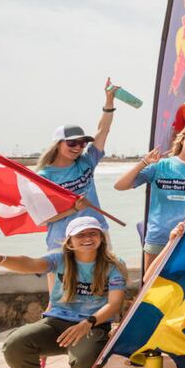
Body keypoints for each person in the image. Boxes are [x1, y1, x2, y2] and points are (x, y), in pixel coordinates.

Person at [0, 217, 127, 368]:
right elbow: (31, 263)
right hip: (56, 322)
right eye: (80, 235)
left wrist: (87, 323)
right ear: (70, 241)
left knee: (84, 360)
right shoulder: (59, 260)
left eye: (93, 233)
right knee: (15, 343)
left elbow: (114, 304)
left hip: (92, 325)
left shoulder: (114, 265)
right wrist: (1, 258)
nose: (88, 238)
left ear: (101, 238)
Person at [115, 125, 185, 268]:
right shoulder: (160, 166)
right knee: (151, 286)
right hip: (158, 237)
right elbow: (120, 185)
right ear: (182, 141)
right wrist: (144, 162)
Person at [36, 79, 119, 253]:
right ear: (58, 144)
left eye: (82, 143)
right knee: (63, 281)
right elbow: (43, 218)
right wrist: (73, 209)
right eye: (72, 143)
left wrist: (109, 101)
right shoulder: (44, 176)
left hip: (97, 234)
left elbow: (103, 130)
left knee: (102, 280)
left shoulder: (87, 162)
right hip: (63, 241)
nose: (78, 148)